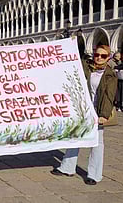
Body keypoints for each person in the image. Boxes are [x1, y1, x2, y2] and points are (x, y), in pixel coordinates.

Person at [51, 45, 117, 185]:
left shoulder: (110, 75)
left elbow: (108, 96)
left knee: (97, 143)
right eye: (96, 55)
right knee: (75, 136)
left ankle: (94, 175)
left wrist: (104, 115)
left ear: (108, 57)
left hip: (97, 111)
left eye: (103, 56)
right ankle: (67, 167)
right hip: (82, 109)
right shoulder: (86, 67)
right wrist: (71, 42)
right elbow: (70, 62)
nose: (99, 58)